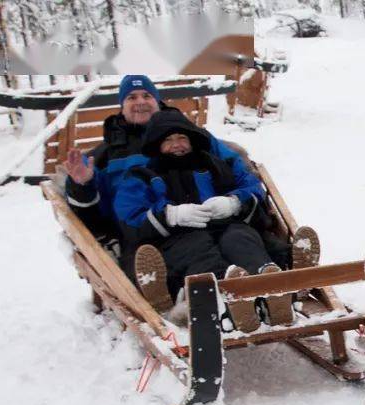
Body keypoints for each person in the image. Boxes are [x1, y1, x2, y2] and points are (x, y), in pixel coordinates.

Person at [60, 75, 308, 274]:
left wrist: (234, 201)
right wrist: (83, 184)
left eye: (147, 95)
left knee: (239, 237)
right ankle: (221, 286)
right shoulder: (104, 156)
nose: (140, 102)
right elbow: (100, 213)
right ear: (121, 105)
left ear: (158, 101)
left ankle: (279, 267)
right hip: (144, 227)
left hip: (208, 216)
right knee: (193, 248)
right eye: (131, 97)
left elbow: (233, 168)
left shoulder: (194, 141)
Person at [113, 109, 292, 331]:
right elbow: (129, 216)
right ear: (157, 145)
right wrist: (171, 215)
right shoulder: (143, 175)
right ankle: (219, 302)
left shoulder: (215, 165)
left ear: (191, 140)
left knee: (240, 239)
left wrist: (234, 203)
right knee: (198, 249)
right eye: (168, 140)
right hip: (177, 237)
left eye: (181, 138)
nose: (176, 144)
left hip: (227, 225)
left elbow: (252, 187)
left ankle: (269, 288)